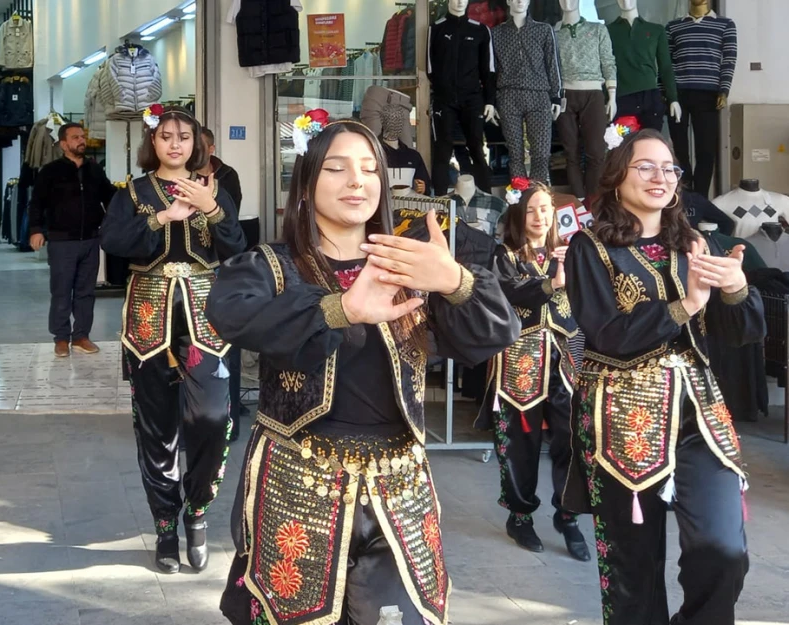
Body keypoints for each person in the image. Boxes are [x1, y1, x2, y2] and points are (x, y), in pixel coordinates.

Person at [209, 115, 520, 625]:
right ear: (306, 188)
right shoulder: (270, 266)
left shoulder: (411, 265)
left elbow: (493, 335)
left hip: (400, 485)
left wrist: (456, 280)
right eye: (337, 169)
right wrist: (343, 309)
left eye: (369, 170)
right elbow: (232, 314)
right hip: (298, 479)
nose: (357, 181)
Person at [564, 128, 763, 624]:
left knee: (723, 550)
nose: (660, 177)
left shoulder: (696, 243)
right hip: (620, 417)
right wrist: (684, 305)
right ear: (617, 177)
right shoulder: (589, 247)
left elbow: (740, 333)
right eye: (645, 166)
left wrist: (736, 287)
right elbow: (606, 333)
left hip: (698, 413)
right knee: (632, 568)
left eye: (668, 168)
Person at [100, 106, 245, 574]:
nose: (176, 144)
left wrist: (212, 211)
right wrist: (162, 217)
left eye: (184, 136)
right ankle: (165, 527)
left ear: (197, 143)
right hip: (149, 315)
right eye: (166, 136)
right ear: (154, 143)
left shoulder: (216, 189)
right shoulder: (134, 191)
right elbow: (115, 241)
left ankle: (197, 513)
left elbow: (235, 246)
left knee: (212, 416)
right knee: (156, 428)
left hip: (206, 315)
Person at [476, 179, 589, 561]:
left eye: (545, 208)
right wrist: (548, 284)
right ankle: (520, 515)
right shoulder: (504, 254)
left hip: (567, 357)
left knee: (570, 438)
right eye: (531, 209)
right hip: (520, 359)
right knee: (520, 441)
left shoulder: (573, 250)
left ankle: (568, 514)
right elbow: (507, 292)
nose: (539, 216)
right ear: (517, 214)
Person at [29, 122, 118, 358]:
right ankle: (60, 338)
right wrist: (36, 230)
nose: (82, 140)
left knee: (86, 292)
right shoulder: (50, 172)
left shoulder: (94, 169)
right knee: (61, 291)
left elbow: (110, 197)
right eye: (76, 137)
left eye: (83, 136)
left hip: (90, 239)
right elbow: (36, 203)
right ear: (63, 143)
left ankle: (81, 336)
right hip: (61, 242)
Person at [198, 126, 249, 441]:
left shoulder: (227, 178)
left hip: (222, 265)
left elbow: (232, 225)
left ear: (211, 147)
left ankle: (227, 416)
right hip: (192, 268)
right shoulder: (178, 180)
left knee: (224, 341)